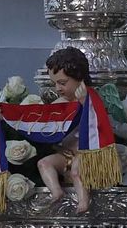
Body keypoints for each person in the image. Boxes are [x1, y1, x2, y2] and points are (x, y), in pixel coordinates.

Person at [36, 47, 95, 214]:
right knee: (44, 163)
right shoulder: (60, 103)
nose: (58, 88)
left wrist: (84, 103)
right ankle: (56, 191)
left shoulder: (92, 99)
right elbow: (42, 121)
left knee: (77, 171)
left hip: (86, 154)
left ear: (79, 79)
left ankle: (83, 201)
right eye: (54, 83)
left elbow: (98, 124)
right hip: (66, 154)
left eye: (62, 83)